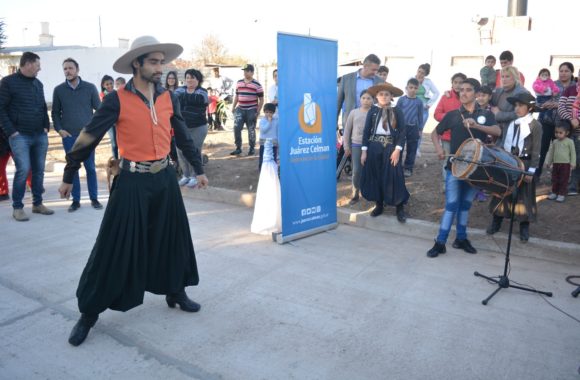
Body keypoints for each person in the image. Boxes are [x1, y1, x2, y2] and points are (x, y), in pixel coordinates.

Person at [58, 36, 208, 347]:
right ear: (136, 64)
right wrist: (70, 173)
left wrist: (199, 168)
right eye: (153, 61)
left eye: (160, 61)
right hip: (132, 181)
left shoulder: (168, 97)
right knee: (115, 246)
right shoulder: (117, 99)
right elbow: (89, 136)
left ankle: (175, 291)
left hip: (164, 178)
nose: (159, 67)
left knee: (172, 239)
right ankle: (89, 312)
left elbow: (180, 134)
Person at [427, 78, 501, 258]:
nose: (463, 93)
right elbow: (435, 133)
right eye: (461, 90)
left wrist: (478, 125)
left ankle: (461, 238)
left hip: (476, 169)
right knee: (451, 204)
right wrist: (439, 150)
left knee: (466, 204)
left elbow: (497, 132)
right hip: (454, 167)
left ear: (476, 93)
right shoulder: (453, 115)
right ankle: (440, 242)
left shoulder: (486, 114)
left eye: (468, 90)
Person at [0, 52, 53, 221]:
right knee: (23, 170)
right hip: (19, 136)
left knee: (38, 171)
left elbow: (43, 107)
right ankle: (17, 208)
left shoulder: (39, 83)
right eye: (38, 65)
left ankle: (38, 204)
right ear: (28, 64)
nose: (40, 68)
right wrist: (11, 132)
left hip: (39, 135)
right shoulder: (8, 83)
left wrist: (46, 126)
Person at [486, 92, 541, 242]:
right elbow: (505, 144)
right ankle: (496, 220)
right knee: (503, 190)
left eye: (520, 105)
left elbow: (536, 150)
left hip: (526, 164)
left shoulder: (535, 126)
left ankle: (524, 226)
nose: (517, 108)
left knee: (525, 196)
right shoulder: (512, 124)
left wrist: (531, 170)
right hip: (510, 161)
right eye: (516, 105)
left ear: (529, 108)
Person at [52, 58, 103, 212]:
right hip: (69, 136)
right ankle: (76, 200)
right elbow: (55, 113)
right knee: (72, 169)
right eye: (65, 69)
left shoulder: (90, 88)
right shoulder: (59, 90)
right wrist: (60, 130)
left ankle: (94, 198)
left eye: (70, 68)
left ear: (77, 70)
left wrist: (93, 131)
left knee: (90, 168)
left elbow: (99, 110)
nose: (67, 71)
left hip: (87, 137)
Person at [360, 82, 408, 223]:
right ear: (376, 96)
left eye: (387, 94)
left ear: (392, 96)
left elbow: (402, 131)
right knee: (376, 175)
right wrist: (364, 151)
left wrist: (398, 150)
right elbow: (366, 131)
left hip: (391, 147)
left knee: (394, 175)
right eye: (381, 94)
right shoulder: (373, 111)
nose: (384, 96)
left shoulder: (397, 110)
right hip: (374, 146)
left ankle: (399, 206)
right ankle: (379, 204)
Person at [536, 62, 576, 178]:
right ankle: (536, 175)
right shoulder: (551, 84)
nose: (563, 73)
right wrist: (545, 103)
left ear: (571, 72)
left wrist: (558, 104)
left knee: (561, 151)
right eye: (561, 71)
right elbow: (540, 100)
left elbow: (575, 104)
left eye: (566, 71)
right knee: (542, 149)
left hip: (564, 125)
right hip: (546, 122)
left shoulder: (575, 87)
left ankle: (559, 179)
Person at [175, 69, 209, 188]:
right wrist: (190, 98)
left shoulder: (203, 92)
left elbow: (201, 100)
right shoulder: (179, 90)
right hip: (182, 127)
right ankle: (186, 175)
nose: (189, 80)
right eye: (187, 77)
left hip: (198, 127)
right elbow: (174, 98)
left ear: (198, 80)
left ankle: (196, 176)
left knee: (194, 151)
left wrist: (184, 98)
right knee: (180, 151)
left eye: (192, 77)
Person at [434, 73, 467, 188]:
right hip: (447, 137)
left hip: (464, 137)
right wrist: (450, 119)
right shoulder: (445, 97)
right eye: (455, 82)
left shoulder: (466, 97)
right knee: (448, 161)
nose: (457, 85)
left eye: (460, 82)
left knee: (462, 160)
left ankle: (460, 183)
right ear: (452, 83)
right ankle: (447, 184)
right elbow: (437, 114)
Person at [337, 54, 384, 129]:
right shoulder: (346, 78)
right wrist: (335, 121)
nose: (375, 72)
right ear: (365, 66)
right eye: (373, 70)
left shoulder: (380, 81)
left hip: (372, 122)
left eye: (377, 70)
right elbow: (338, 102)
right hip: (350, 121)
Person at [343, 89, 373, 204]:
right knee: (356, 171)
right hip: (356, 145)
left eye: (369, 98)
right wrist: (346, 146)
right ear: (360, 99)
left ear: (373, 100)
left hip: (371, 146)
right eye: (363, 98)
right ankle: (355, 194)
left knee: (370, 170)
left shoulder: (374, 112)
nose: (366, 100)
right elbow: (347, 130)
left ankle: (370, 192)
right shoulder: (353, 112)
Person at [230, 64, 264, 156]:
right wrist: (233, 107)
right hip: (240, 109)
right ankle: (238, 148)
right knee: (236, 128)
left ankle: (252, 148)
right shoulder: (239, 82)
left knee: (251, 129)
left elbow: (261, 99)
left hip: (251, 110)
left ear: (252, 72)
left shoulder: (257, 84)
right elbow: (237, 95)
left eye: (247, 71)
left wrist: (258, 111)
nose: (245, 72)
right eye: (244, 71)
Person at [491, 66, 530, 144]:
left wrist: (499, 115)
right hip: (497, 134)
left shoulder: (522, 93)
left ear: (515, 78)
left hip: (513, 134)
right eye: (502, 76)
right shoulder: (499, 91)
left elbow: (522, 115)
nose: (504, 79)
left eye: (507, 76)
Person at [557, 73, 580, 195]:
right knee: (563, 159)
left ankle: (573, 187)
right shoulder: (569, 89)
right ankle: (561, 185)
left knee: (577, 160)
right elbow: (561, 107)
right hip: (567, 131)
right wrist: (571, 120)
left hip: (578, 133)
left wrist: (579, 119)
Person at [396, 78, 424, 178]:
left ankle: (408, 167)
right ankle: (397, 166)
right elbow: (397, 113)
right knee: (399, 147)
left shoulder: (419, 102)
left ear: (418, 89)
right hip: (401, 128)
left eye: (415, 88)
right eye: (411, 87)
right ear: (406, 88)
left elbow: (420, 116)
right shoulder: (401, 100)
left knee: (412, 149)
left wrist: (420, 129)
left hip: (413, 128)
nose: (413, 90)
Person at [545, 121, 576, 202]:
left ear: (567, 133)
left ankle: (561, 194)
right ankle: (554, 192)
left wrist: (573, 163)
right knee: (554, 178)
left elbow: (573, 153)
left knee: (563, 179)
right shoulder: (555, 142)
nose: (558, 134)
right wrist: (549, 162)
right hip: (556, 164)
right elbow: (551, 152)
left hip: (565, 165)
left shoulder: (570, 142)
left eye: (560, 132)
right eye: (556, 132)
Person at [414, 63, 440, 156]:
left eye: (422, 73)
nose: (420, 74)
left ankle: (417, 148)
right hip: (412, 107)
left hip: (423, 108)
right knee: (409, 128)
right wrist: (417, 83)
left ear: (425, 74)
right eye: (419, 71)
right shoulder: (412, 80)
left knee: (419, 129)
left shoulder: (428, 82)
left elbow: (436, 93)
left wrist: (429, 104)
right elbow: (407, 90)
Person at [100, 74, 118, 159]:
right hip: (110, 122)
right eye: (107, 84)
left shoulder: (117, 93)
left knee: (121, 142)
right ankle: (115, 160)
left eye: (111, 83)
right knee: (114, 142)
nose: (110, 85)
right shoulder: (103, 95)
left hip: (119, 121)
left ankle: (122, 160)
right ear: (103, 85)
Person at [258, 103, 278, 171]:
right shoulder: (262, 121)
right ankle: (262, 170)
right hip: (264, 142)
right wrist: (269, 122)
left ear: (273, 113)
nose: (268, 114)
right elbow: (263, 130)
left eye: (270, 112)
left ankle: (273, 170)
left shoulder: (276, 120)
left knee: (273, 157)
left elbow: (277, 131)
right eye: (267, 112)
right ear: (264, 112)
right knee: (263, 157)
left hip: (273, 142)